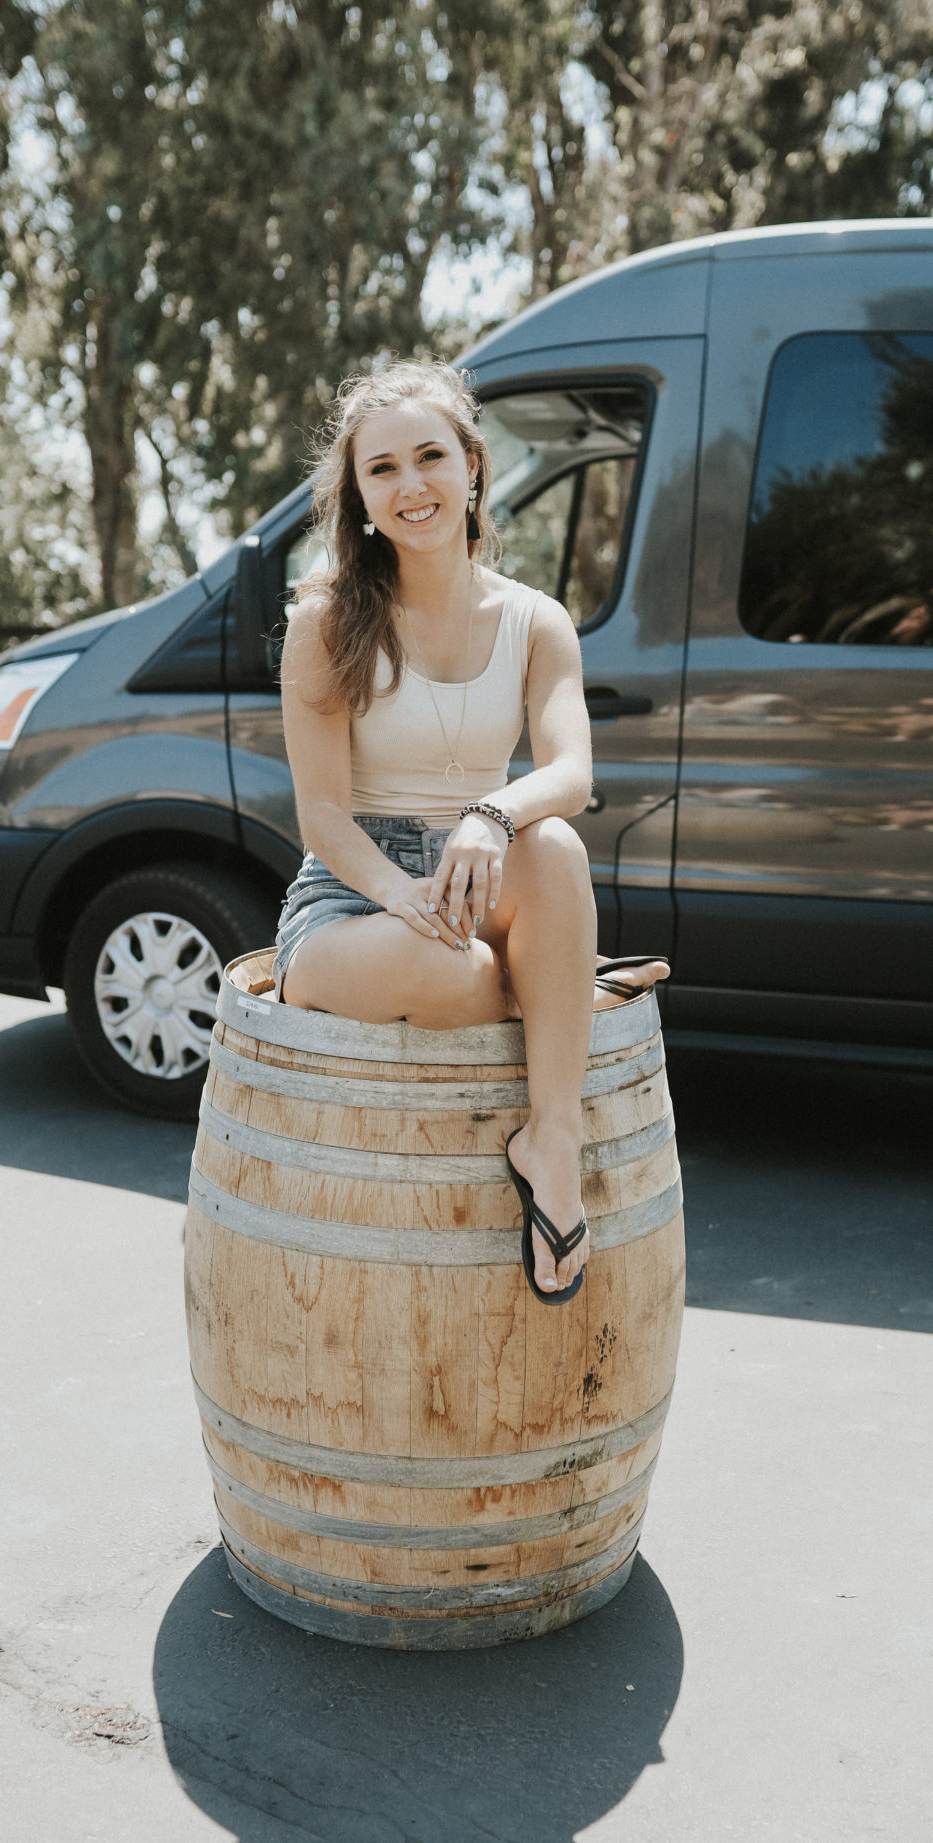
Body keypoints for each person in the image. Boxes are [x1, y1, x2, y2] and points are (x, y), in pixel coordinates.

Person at [273, 361, 669, 1301]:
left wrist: (494, 811)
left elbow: (571, 774)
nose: (411, 486)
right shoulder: (323, 621)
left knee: (556, 845)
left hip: (482, 876)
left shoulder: (537, 621)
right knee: (453, 972)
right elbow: (323, 812)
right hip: (353, 894)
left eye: (430, 457)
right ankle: (561, 981)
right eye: (383, 470)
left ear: (474, 468)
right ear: (360, 496)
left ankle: (553, 1137)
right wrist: (399, 894)